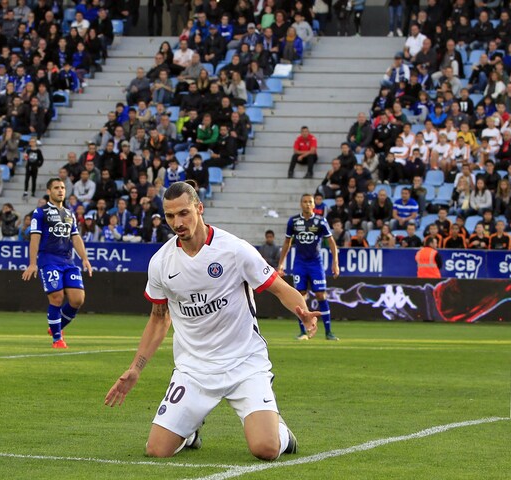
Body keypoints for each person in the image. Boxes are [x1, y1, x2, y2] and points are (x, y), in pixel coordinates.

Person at [105, 182, 324, 460]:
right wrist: (135, 368)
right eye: (170, 216)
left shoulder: (234, 250)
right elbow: (159, 319)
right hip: (193, 369)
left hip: (244, 363)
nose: (177, 222)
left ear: (199, 208)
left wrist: (302, 310)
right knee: (157, 450)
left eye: (184, 213)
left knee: (265, 449)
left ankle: (282, 433)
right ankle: (190, 433)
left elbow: (280, 288)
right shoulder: (161, 262)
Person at [22, 178, 94, 348]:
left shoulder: (69, 214)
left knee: (78, 299)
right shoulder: (40, 213)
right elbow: (35, 238)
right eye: (56, 188)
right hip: (49, 260)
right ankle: (57, 339)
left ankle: (56, 326)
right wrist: (32, 263)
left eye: (62, 187)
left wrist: (84, 258)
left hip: (68, 260)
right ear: (49, 191)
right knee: (57, 297)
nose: (60, 190)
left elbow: (75, 238)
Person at [277, 194, 340, 341]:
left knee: (321, 295)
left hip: (315, 263)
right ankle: (303, 332)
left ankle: (328, 332)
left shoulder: (321, 221)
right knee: (300, 296)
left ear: (314, 205)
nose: (307, 204)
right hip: (300, 263)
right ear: (301, 204)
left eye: (310, 202)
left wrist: (335, 262)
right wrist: (281, 264)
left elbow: (331, 242)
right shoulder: (293, 221)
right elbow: (287, 242)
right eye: (305, 202)